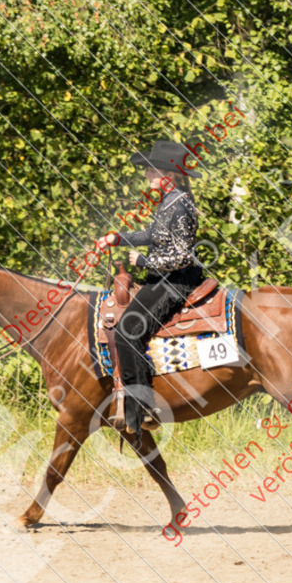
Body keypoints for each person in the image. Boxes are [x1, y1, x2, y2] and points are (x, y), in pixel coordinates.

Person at [96, 141, 203, 443]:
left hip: (176, 280)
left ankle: (143, 406)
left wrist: (144, 260)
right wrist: (119, 238)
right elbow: (152, 235)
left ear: (168, 174)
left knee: (129, 327)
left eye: (151, 169)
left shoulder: (180, 205)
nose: (146, 174)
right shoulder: (169, 201)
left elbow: (181, 256)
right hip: (163, 277)